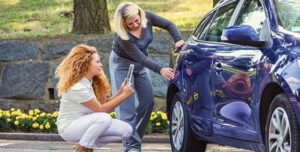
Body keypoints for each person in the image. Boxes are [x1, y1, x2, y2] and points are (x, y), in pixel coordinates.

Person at [109, 2, 185, 151]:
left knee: (148, 102)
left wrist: (178, 39)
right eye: (130, 24)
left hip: (140, 63)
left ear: (139, 13)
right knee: (126, 107)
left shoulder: (148, 16)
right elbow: (141, 58)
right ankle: (132, 146)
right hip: (122, 65)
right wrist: (160, 69)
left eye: (137, 20)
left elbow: (169, 25)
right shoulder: (122, 37)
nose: (135, 25)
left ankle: (133, 137)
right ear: (123, 24)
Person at [55, 44, 134, 152]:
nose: (101, 65)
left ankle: (86, 142)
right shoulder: (77, 87)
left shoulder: (91, 81)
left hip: (88, 124)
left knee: (126, 130)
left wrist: (121, 92)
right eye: (97, 62)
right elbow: (101, 110)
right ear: (85, 64)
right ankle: (82, 148)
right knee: (104, 118)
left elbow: (105, 102)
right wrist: (124, 95)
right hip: (69, 128)